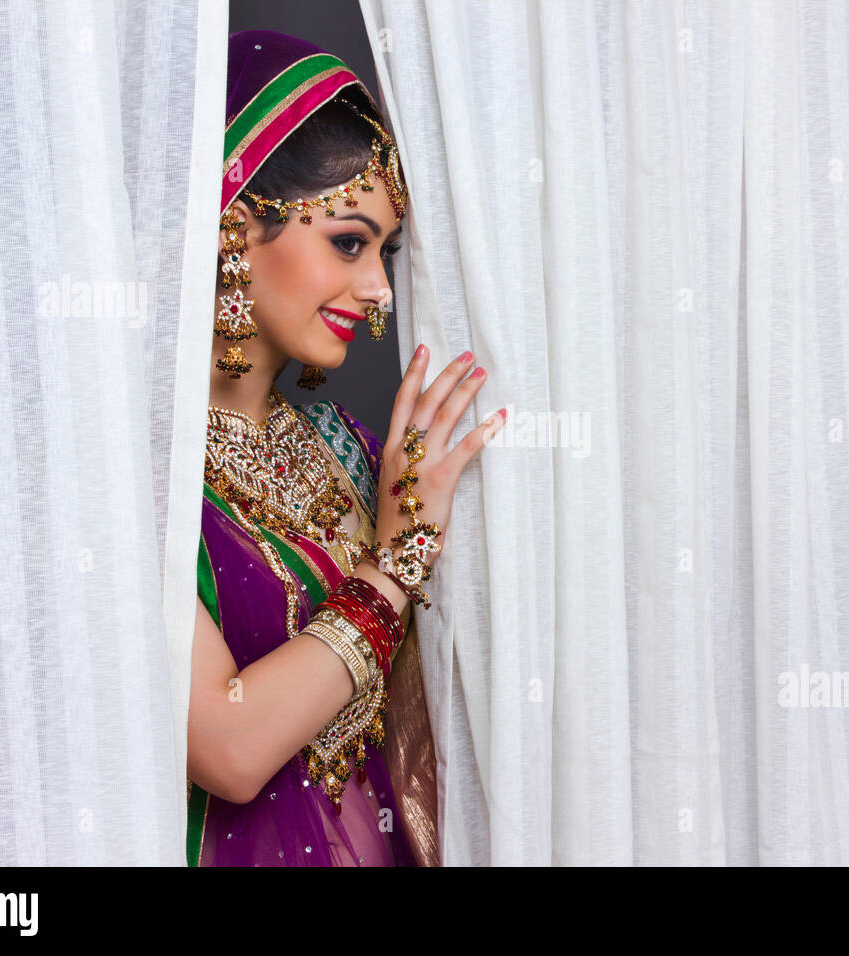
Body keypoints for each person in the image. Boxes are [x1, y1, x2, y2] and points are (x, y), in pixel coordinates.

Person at [185, 30, 504, 866]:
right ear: (235, 222)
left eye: (386, 254)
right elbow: (231, 748)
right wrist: (398, 563)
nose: (379, 293)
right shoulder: (137, 467)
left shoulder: (356, 452)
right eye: (350, 242)